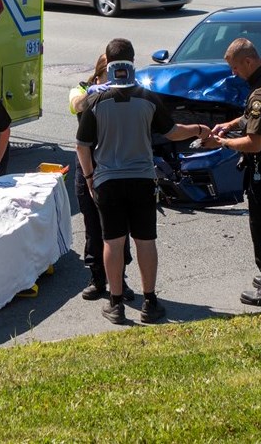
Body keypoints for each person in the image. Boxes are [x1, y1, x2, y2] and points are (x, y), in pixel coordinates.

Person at [75, 38, 206, 325]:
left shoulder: (95, 101)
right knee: (145, 240)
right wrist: (198, 129)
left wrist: (89, 178)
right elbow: (172, 132)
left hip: (108, 181)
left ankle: (116, 304)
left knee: (113, 241)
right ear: (132, 62)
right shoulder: (147, 98)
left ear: (108, 64)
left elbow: (82, 146)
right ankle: (150, 301)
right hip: (142, 180)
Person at [200, 38, 261, 308]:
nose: (233, 73)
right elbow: (251, 119)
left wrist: (222, 142)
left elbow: (255, 143)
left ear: (248, 61)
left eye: (235, 67)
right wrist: (228, 125)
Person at [67, 54, 135, 302]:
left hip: (116, 166)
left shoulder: (126, 90)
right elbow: (76, 105)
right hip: (88, 165)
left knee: (119, 227)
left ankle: (120, 280)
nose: (116, 79)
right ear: (99, 74)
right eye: (110, 75)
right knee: (93, 226)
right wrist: (92, 93)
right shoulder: (82, 89)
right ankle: (97, 278)